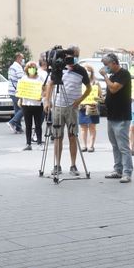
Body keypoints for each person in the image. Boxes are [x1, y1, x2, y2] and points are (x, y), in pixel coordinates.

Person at [45, 46, 91, 176]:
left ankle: (73, 165)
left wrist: (79, 100)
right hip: (58, 106)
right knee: (58, 137)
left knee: (72, 136)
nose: (73, 58)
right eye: (71, 55)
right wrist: (47, 101)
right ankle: (57, 165)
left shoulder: (81, 70)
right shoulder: (59, 68)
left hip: (72, 107)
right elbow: (50, 84)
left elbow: (89, 88)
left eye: (76, 55)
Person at [101, 53, 133, 184]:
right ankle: (118, 169)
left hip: (122, 116)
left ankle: (127, 172)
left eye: (106, 65)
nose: (105, 67)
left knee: (123, 146)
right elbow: (111, 93)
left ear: (114, 63)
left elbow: (114, 89)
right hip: (111, 116)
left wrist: (105, 76)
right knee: (115, 145)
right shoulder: (113, 76)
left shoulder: (123, 74)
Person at [18, 59, 45, 150]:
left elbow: (44, 89)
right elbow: (21, 90)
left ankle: (39, 143)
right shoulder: (24, 78)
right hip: (26, 104)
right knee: (28, 125)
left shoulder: (40, 78)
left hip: (37, 104)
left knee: (38, 125)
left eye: (33, 67)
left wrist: (42, 96)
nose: (32, 69)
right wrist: (20, 100)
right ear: (27, 69)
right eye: (30, 67)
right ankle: (28, 143)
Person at [78, 64, 101, 154]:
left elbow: (100, 97)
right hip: (82, 107)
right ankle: (84, 145)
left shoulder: (96, 83)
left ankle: (91, 145)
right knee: (83, 127)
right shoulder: (79, 82)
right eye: (86, 70)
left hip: (92, 108)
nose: (87, 72)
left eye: (89, 70)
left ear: (92, 72)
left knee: (92, 126)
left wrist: (96, 100)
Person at [7, 51, 26, 135]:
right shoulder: (18, 67)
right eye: (22, 58)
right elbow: (21, 80)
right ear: (18, 58)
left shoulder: (12, 66)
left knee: (17, 109)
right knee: (24, 108)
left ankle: (18, 128)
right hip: (17, 91)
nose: (23, 60)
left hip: (12, 91)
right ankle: (12, 122)